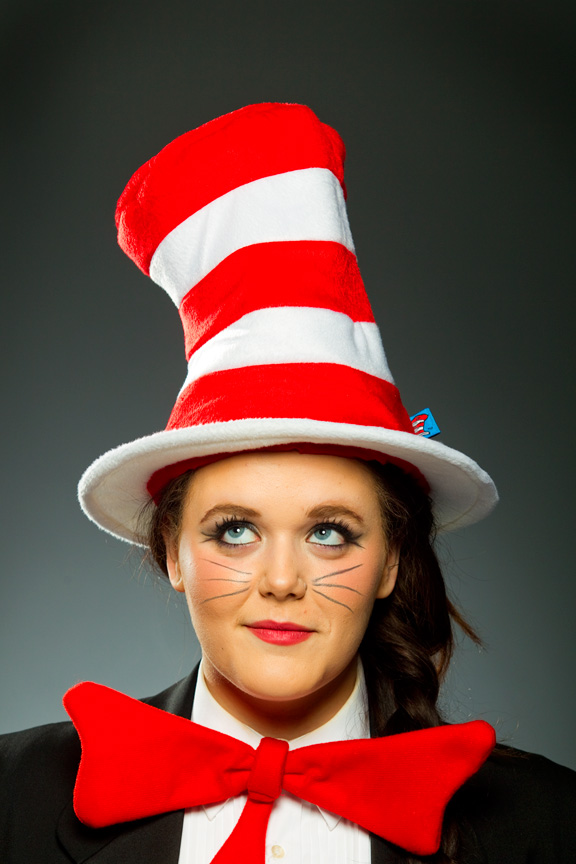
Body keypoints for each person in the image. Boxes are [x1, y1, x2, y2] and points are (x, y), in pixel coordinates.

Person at [1, 103, 575, 864]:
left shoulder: (552, 824)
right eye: (234, 530)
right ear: (171, 552)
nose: (281, 581)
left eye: (329, 532)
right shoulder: (10, 795)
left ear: (392, 560)